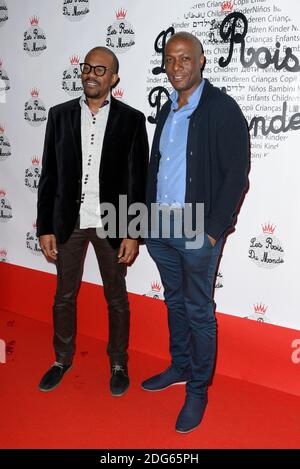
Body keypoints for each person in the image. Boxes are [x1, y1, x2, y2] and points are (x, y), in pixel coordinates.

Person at [142, 32, 249, 432]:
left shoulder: (222, 108)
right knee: (174, 301)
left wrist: (212, 231)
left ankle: (198, 389)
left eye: (185, 59)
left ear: (202, 61)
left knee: (199, 310)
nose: (176, 67)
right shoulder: (168, 108)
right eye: (170, 59)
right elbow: (157, 168)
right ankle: (181, 367)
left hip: (196, 229)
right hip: (159, 226)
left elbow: (235, 176)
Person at [37, 46, 148, 396]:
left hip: (112, 222)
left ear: (114, 78)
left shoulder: (131, 120)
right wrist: (45, 227)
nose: (91, 74)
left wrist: (133, 232)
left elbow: (137, 181)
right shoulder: (59, 115)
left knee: (116, 298)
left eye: (100, 70)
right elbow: (49, 175)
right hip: (68, 222)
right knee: (64, 296)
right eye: (87, 68)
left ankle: (118, 362)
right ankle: (62, 358)